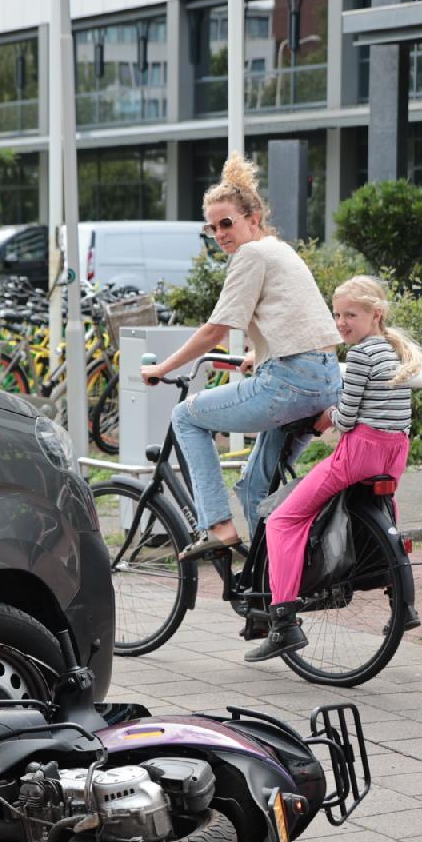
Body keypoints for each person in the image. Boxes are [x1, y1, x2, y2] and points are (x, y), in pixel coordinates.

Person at [140, 154, 343, 560]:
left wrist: (162, 368)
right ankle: (273, 583)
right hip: (325, 381)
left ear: (252, 217)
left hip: (290, 383)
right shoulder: (277, 250)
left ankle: (216, 524)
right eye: (211, 227)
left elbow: (216, 329)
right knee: (254, 485)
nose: (219, 233)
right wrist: (257, 352)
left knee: (185, 416)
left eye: (226, 223)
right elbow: (292, 312)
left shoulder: (249, 255)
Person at [247, 276, 421, 662]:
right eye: (337, 314)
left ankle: (283, 621)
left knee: (283, 520)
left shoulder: (361, 354)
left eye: (350, 315)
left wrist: (324, 418)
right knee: (381, 511)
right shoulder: (394, 349)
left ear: (375, 315)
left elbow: (346, 418)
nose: (341, 322)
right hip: (394, 452)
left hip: (360, 451)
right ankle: (402, 601)